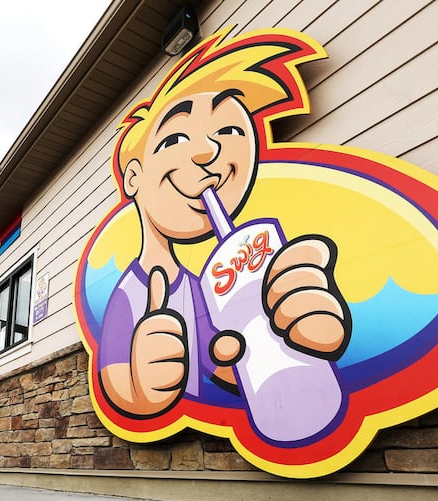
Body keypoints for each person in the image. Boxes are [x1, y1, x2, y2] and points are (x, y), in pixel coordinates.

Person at [96, 34, 351, 418]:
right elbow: (119, 383)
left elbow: (226, 364)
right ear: (133, 178)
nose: (208, 152)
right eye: (176, 138)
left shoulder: (206, 287)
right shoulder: (132, 292)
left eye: (229, 133)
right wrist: (140, 388)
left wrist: (292, 339)